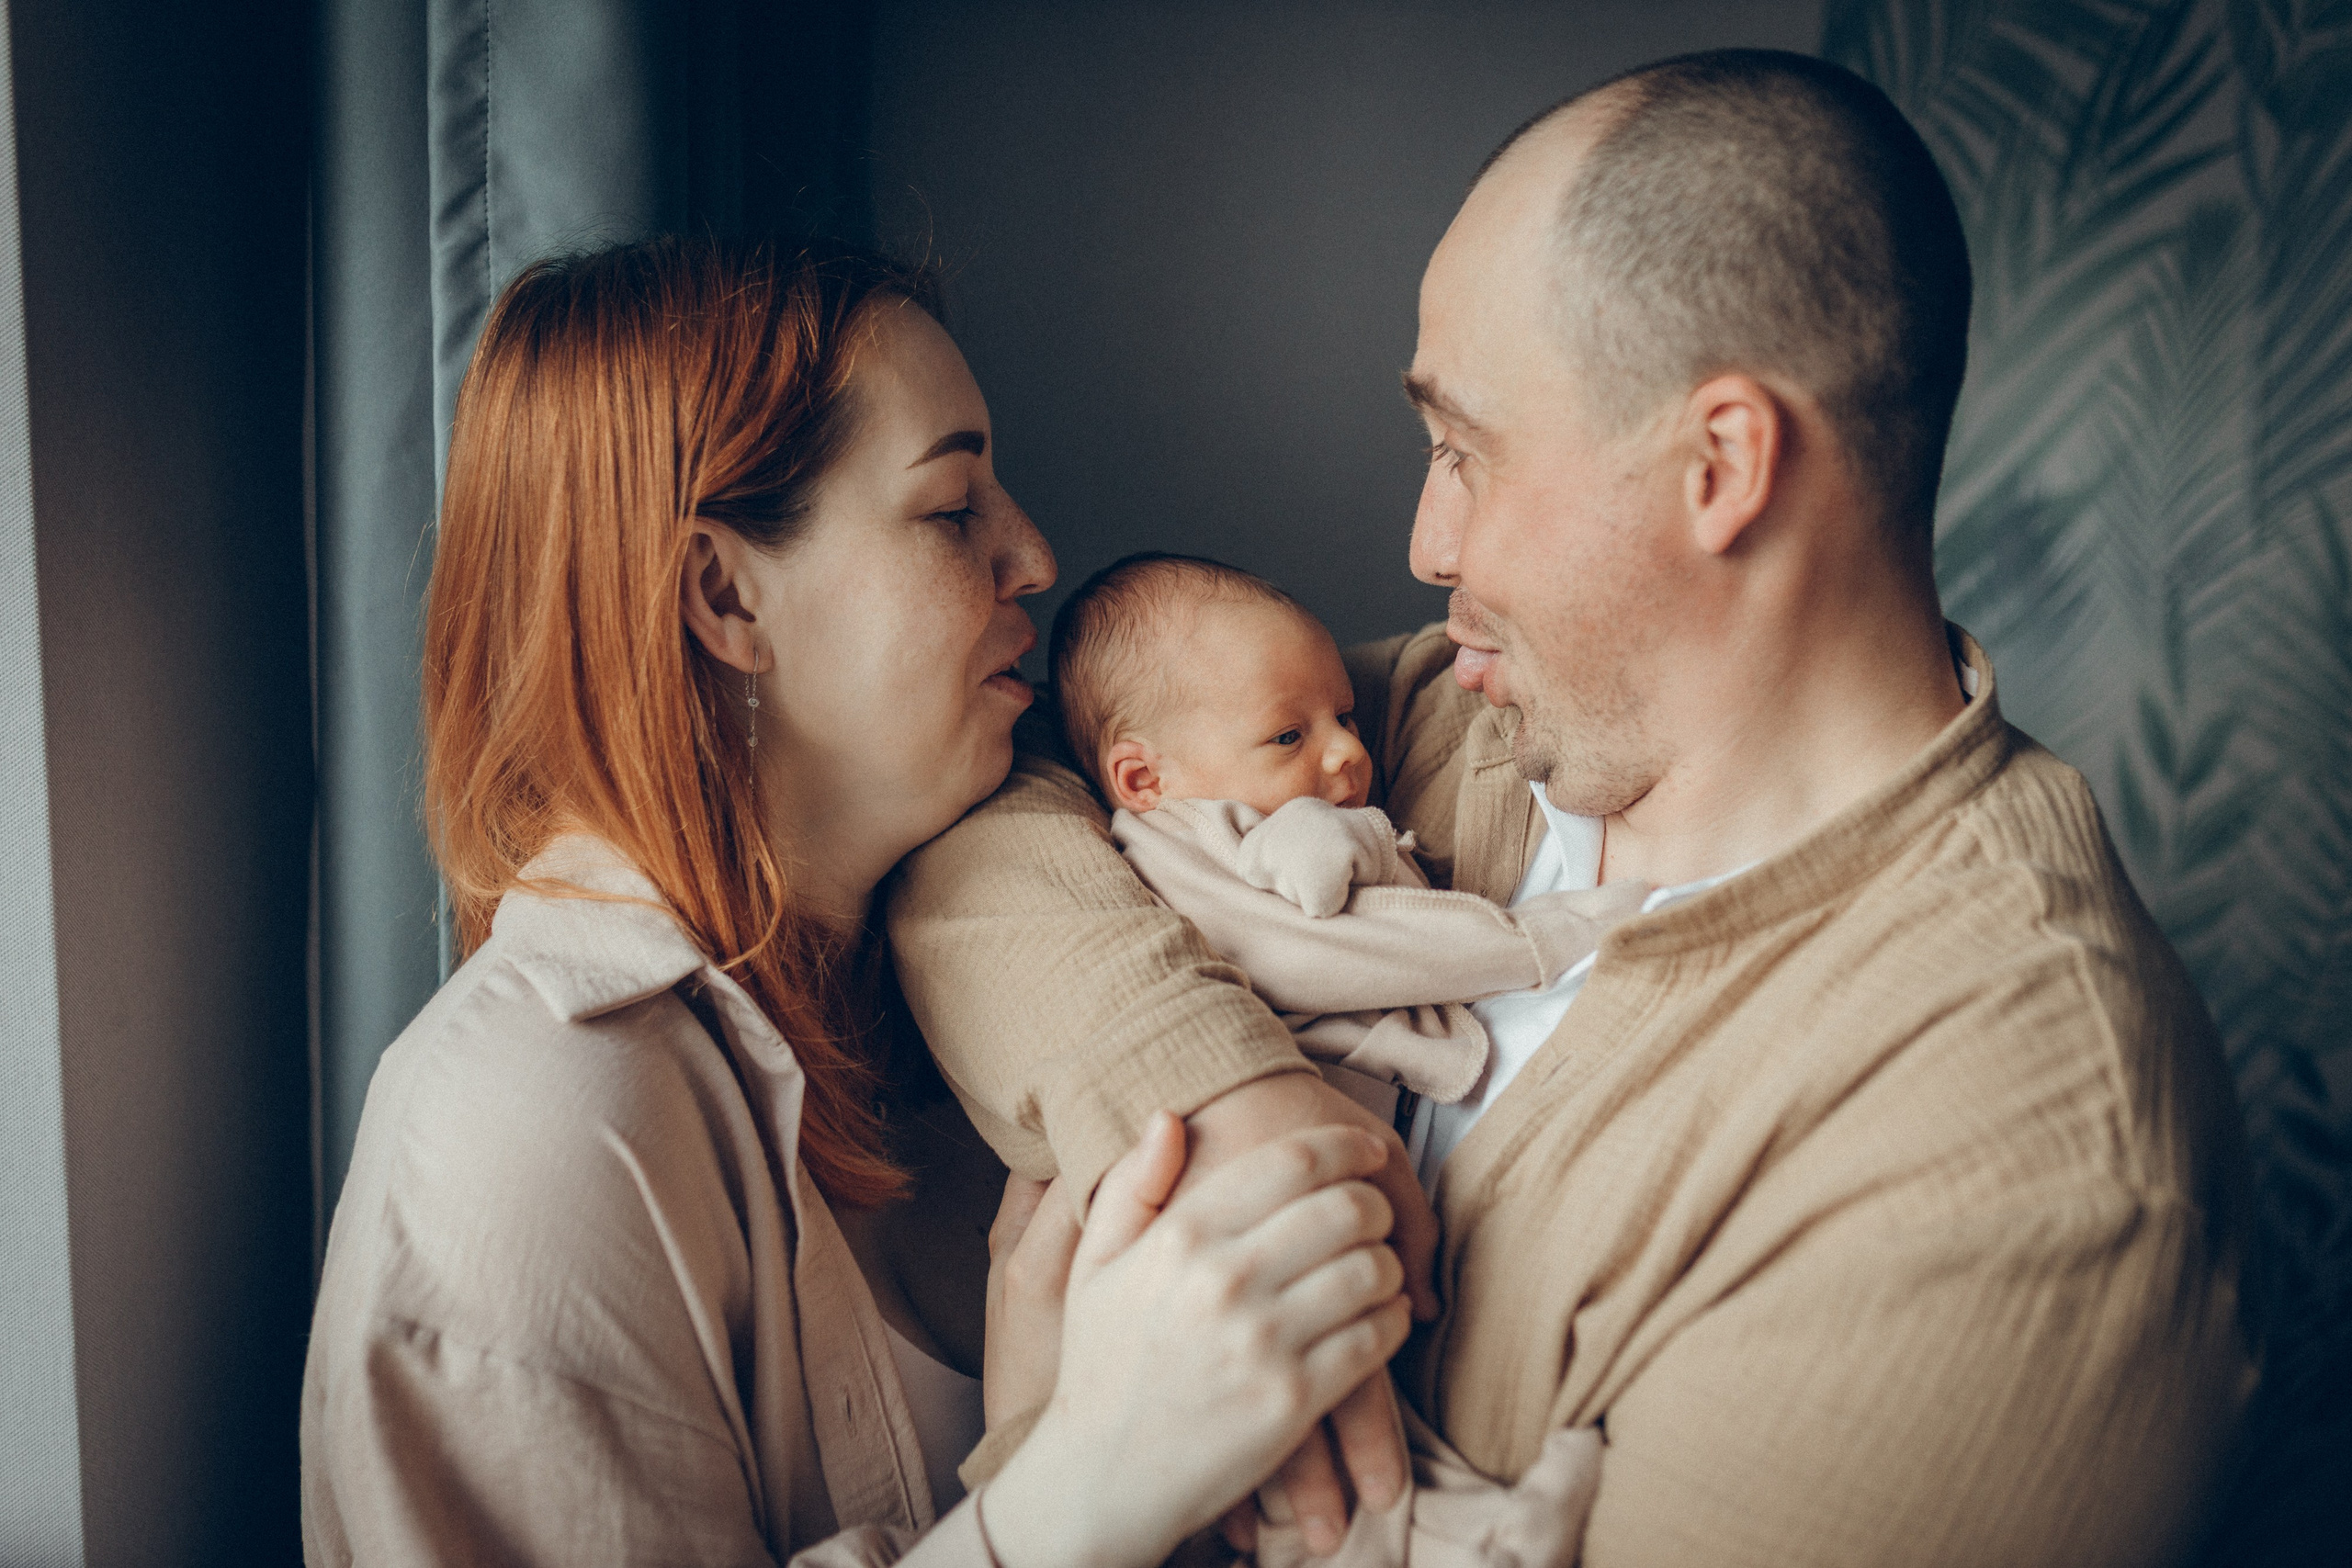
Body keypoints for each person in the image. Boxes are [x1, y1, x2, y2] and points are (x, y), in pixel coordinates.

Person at [889, 50, 2257, 1567]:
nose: (1426, 539)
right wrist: (1216, 1098)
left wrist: (1055, 1472)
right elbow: (999, 806)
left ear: (1719, 466)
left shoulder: (2013, 1170)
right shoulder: (1448, 725)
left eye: (1464, 449)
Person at [298, 234, 1420, 1568]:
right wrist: (1073, 1489)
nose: (1033, 553)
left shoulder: (980, 961)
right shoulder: (526, 1135)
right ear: (725, 595)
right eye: (952, 507)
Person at [1051, 550, 1647, 1120]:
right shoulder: (1215, 844)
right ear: (1144, 778)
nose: (1348, 751)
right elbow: (1343, 949)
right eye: (1288, 737)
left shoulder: (1177, 843)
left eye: (1343, 716)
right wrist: (1549, 937)